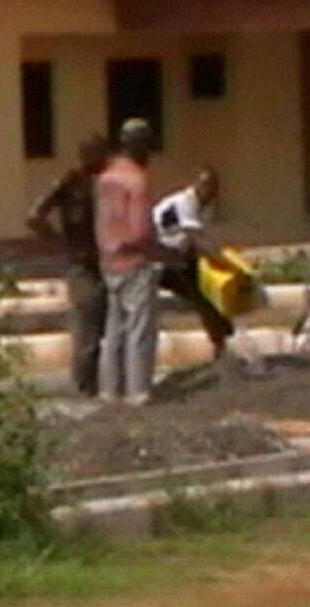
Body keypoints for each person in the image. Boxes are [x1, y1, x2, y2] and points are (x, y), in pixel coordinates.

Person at [26, 133, 109, 396]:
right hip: (83, 264)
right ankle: (85, 387)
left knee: (108, 328)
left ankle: (105, 385)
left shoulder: (107, 183)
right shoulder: (70, 182)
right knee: (87, 330)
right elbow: (34, 216)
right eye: (99, 153)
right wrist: (64, 244)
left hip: (109, 262)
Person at [94, 118, 160, 405]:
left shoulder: (106, 179)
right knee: (138, 330)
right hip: (135, 263)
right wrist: (163, 252)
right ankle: (137, 390)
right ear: (140, 146)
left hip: (109, 262)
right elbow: (140, 231)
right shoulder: (137, 181)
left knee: (114, 331)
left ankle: (109, 390)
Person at [153, 167, 235, 358]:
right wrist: (225, 261)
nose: (212, 197)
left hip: (176, 256)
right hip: (161, 259)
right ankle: (220, 340)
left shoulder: (196, 207)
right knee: (203, 295)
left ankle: (220, 338)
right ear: (201, 186)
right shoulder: (185, 203)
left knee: (208, 294)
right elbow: (195, 237)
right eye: (210, 190)